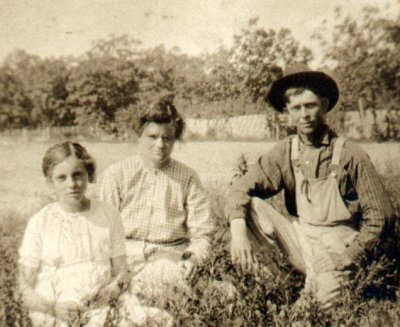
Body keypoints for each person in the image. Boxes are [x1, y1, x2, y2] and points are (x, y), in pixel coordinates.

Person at [224, 64, 397, 308]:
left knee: (317, 306)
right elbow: (239, 188)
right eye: (296, 108)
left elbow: (382, 217)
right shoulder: (286, 151)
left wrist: (347, 257)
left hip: (339, 243)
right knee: (251, 206)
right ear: (288, 112)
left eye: (310, 105)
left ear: (324, 106)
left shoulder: (350, 154)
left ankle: (315, 293)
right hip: (301, 239)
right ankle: (279, 286)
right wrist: (239, 233)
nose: (304, 115)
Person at [18, 142, 171, 327]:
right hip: (60, 306)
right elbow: (23, 289)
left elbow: (122, 272)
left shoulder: (108, 214)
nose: (71, 184)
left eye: (77, 175)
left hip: (103, 300)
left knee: (161, 321)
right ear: (49, 181)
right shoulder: (41, 222)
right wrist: (54, 309)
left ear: (88, 174)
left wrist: (108, 294)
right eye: (61, 178)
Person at [99, 99, 214, 301]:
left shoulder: (188, 178)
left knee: (164, 282)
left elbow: (202, 234)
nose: (160, 144)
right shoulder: (117, 174)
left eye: (167, 138)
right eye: (152, 136)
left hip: (168, 257)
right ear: (140, 137)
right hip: (124, 258)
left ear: (175, 139)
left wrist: (192, 259)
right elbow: (102, 231)